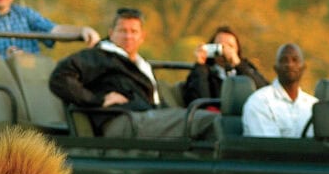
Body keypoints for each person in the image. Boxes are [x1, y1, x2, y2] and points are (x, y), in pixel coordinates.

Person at [49, 7, 217, 138]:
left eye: (133, 31)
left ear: (142, 36)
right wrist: (97, 100)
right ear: (111, 33)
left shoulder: (141, 64)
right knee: (209, 121)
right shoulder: (99, 56)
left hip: (150, 119)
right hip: (123, 120)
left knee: (210, 119)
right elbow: (59, 78)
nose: (128, 36)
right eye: (122, 30)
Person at [242, 43, 317, 137]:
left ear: (303, 67)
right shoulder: (259, 102)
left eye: (295, 60)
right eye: (284, 60)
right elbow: (268, 147)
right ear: (275, 68)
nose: (290, 64)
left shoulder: (314, 106)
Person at [183, 26, 268, 105]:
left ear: (237, 49)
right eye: (220, 46)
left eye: (230, 46)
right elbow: (199, 100)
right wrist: (201, 65)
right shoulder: (204, 72)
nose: (224, 50)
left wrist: (238, 64)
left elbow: (265, 92)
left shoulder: (245, 68)